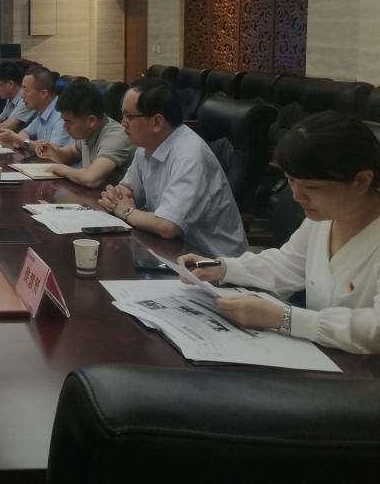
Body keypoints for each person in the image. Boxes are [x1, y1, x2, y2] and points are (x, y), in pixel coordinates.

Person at [182, 111, 380, 354]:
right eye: (290, 181)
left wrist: (283, 318)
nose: (297, 196)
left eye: (312, 187)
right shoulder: (325, 217)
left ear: (361, 181)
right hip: (323, 355)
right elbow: (287, 264)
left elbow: (376, 328)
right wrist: (218, 266)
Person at [98, 77, 247, 258]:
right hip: (174, 252)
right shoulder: (146, 145)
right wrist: (114, 197)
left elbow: (168, 226)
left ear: (157, 122)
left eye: (129, 116)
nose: (123, 123)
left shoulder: (190, 155)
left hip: (215, 262)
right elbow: (126, 192)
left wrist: (126, 211)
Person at [34, 81, 134, 187]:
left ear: (91, 121)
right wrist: (53, 152)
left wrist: (61, 169)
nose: (64, 127)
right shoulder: (88, 131)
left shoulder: (115, 137)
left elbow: (90, 178)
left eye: (68, 121)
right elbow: (72, 153)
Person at [0, 67, 71, 153]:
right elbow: (24, 133)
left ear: (43, 94)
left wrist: (21, 141)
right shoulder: (43, 111)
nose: (22, 95)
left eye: (26, 89)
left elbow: (52, 152)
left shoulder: (62, 116)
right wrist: (29, 143)